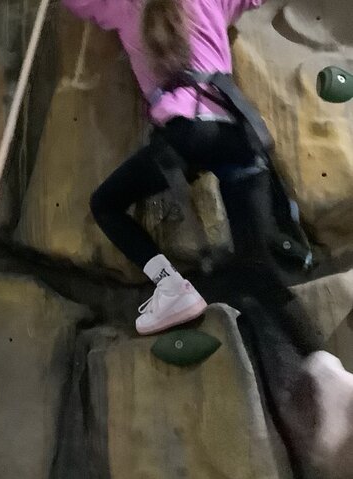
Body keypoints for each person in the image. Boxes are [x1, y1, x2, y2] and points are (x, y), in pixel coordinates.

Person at [61, 0, 305, 335]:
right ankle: (319, 362)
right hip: (237, 133)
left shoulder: (126, 5)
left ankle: (171, 287)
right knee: (259, 267)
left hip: (186, 136)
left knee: (105, 204)